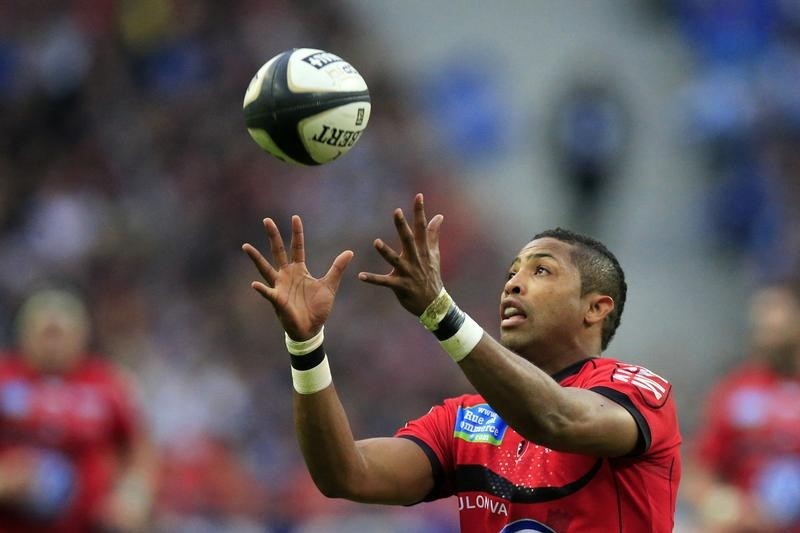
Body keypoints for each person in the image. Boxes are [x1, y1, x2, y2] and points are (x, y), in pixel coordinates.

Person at [242, 193, 682, 532]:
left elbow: (555, 418)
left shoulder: (639, 392)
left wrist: (441, 313)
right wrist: (306, 346)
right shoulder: (464, 421)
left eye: (540, 271)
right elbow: (346, 475)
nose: (513, 285)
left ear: (595, 308)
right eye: (512, 272)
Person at [0, 288, 157, 532]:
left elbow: (139, 448)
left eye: (61, 334)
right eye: (46, 334)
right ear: (24, 334)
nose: (53, 345)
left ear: (82, 336)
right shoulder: (4, 378)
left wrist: (133, 494)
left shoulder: (109, 383)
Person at [684, 284, 800, 533]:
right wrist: (722, 504)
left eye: (777, 325)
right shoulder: (736, 389)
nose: (766, 333)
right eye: (761, 327)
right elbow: (701, 469)